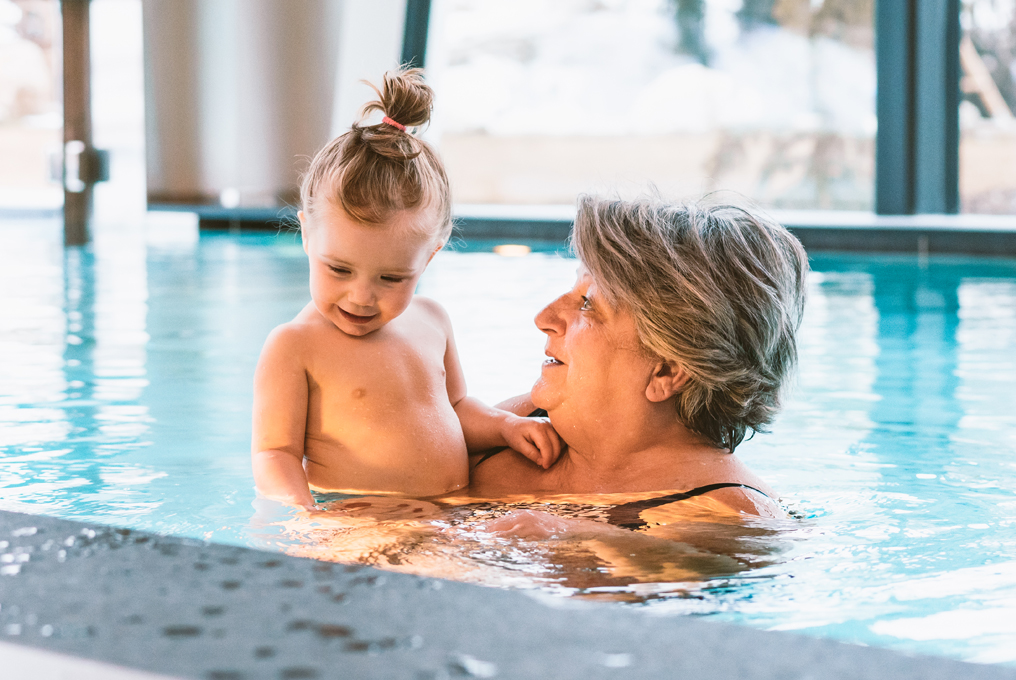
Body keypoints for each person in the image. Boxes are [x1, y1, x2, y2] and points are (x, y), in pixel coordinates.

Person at [251, 68, 562, 509]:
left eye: (392, 278)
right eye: (339, 269)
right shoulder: (295, 346)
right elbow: (274, 454)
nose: (361, 296)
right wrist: (305, 517)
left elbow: (456, 407)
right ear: (306, 235)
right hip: (359, 523)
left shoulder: (432, 320)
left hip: (451, 515)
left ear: (429, 256)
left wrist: (504, 427)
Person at [470, 194, 809, 520]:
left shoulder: (733, 514)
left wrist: (578, 539)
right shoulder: (508, 426)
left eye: (587, 304)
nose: (544, 318)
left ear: (667, 371)